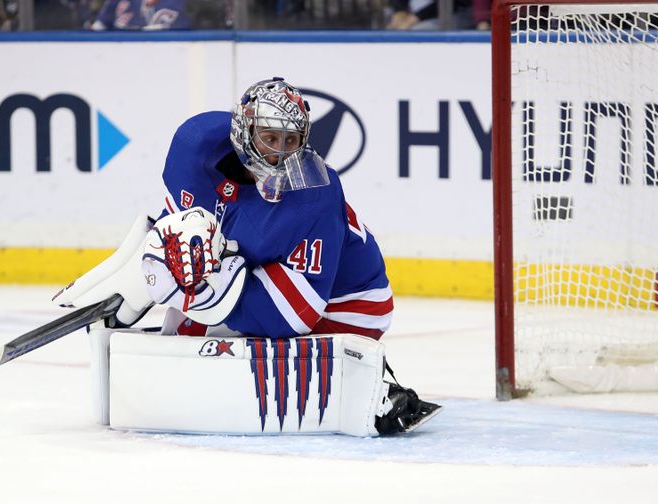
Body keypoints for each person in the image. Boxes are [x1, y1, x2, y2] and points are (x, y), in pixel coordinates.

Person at [55, 77, 440, 434]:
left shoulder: (314, 196)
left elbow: (292, 313)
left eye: (291, 142)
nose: (281, 154)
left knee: (194, 327)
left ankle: (366, 382)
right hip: (265, 272)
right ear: (245, 131)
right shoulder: (197, 144)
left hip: (346, 302)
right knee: (181, 310)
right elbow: (174, 229)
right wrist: (133, 284)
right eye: (271, 137)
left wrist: (197, 294)